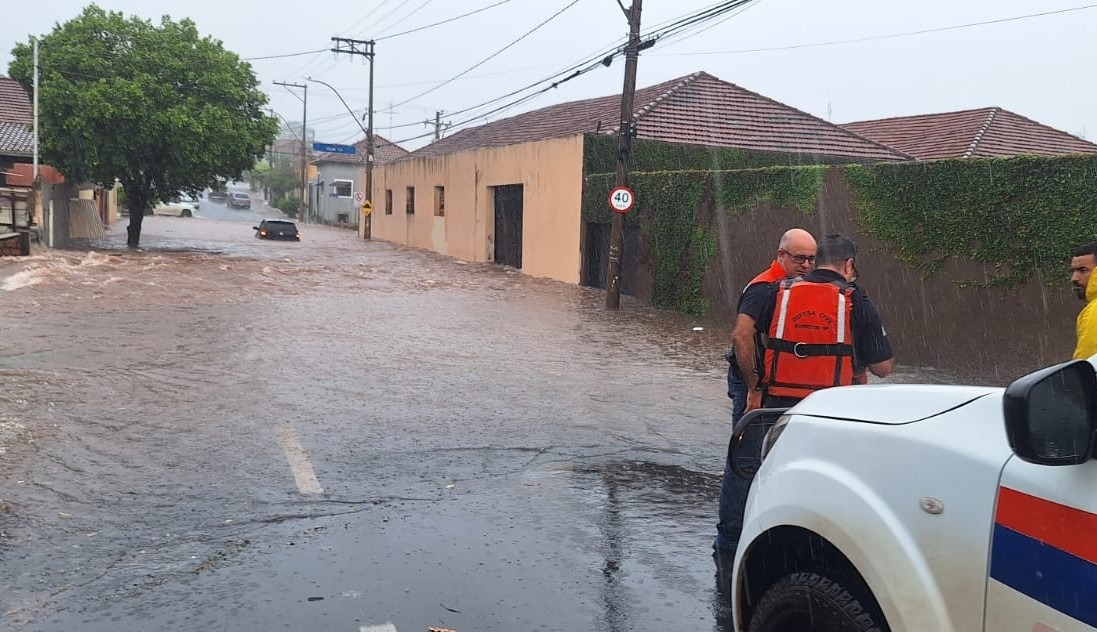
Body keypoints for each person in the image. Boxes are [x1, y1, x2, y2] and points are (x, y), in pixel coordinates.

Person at [713, 228, 816, 565]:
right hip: (752, 382)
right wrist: (754, 387)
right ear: (781, 255)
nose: (805, 264)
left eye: (811, 259)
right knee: (745, 461)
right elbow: (741, 336)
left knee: (777, 460)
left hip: (782, 385)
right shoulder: (762, 287)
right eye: (799, 258)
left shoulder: (804, 290)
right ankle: (729, 539)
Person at [735, 233, 894, 412]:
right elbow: (882, 368)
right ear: (849, 265)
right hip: (833, 408)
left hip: (779, 408)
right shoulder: (859, 302)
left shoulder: (777, 292)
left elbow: (749, 337)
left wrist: (754, 386)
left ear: (815, 261)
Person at [1071, 241, 1097, 360]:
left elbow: (1087, 369)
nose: (1074, 278)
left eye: (1083, 270)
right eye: (1073, 271)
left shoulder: (1094, 313)